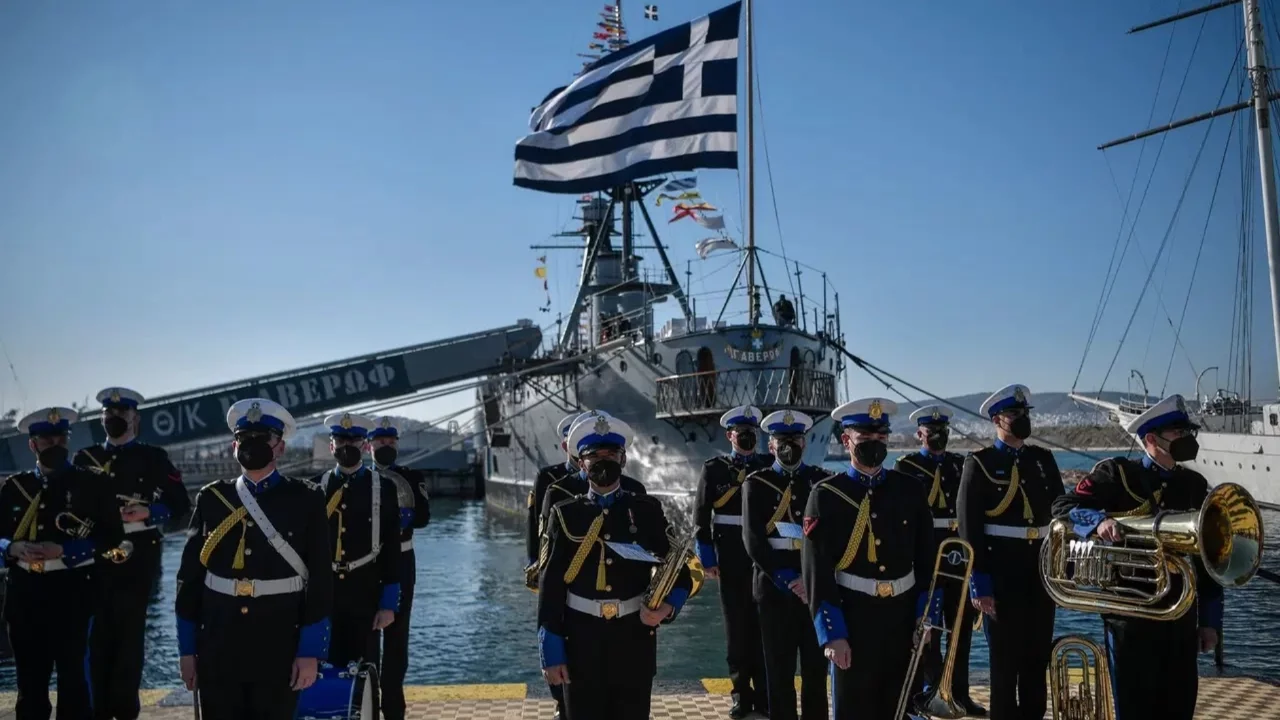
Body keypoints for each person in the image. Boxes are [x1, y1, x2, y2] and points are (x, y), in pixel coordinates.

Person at [1051, 394, 1221, 720]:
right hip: (1129, 615)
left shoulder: (1194, 484)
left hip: (1179, 612)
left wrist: (1210, 622)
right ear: (1151, 439)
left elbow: (1207, 557)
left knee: (1179, 706)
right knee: (1135, 708)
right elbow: (1063, 506)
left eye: (1187, 432)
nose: (1186, 438)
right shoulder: (1118, 474)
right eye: (1178, 433)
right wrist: (1098, 522)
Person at [175, 398, 333, 720]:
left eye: (263, 438)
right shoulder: (212, 498)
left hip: (279, 641)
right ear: (234, 446)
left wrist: (309, 651)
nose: (252, 444)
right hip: (218, 642)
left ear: (280, 448)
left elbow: (320, 578)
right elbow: (189, 580)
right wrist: (187, 650)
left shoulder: (306, 498)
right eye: (245, 438)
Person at [537, 414, 692, 720]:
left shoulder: (646, 511)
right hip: (581, 640)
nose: (603, 462)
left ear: (623, 459)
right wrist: (551, 651)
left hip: (634, 639)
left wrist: (666, 609)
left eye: (611, 455)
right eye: (594, 456)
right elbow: (550, 586)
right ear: (581, 464)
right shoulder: (565, 514)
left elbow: (681, 572)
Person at [802, 398, 939, 720]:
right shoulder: (826, 495)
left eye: (881, 437)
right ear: (845, 440)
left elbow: (926, 560)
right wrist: (833, 633)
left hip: (903, 618)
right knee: (854, 709)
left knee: (903, 708)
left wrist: (926, 616)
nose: (874, 444)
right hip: (854, 618)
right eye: (865, 438)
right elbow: (817, 572)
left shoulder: (909, 489)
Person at [73, 387, 192, 720]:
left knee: (128, 640)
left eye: (121, 413)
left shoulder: (153, 458)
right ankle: (96, 711)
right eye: (108, 414)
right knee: (94, 640)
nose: (115, 418)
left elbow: (180, 504)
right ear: (101, 418)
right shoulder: (85, 459)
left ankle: (125, 712)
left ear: (134, 418)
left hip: (137, 557)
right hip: (94, 557)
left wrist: (149, 513)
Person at [1, 407, 124, 720]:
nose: (55, 444)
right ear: (33, 444)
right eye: (47, 439)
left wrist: (66, 550)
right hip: (25, 594)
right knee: (30, 686)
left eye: (60, 438)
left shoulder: (92, 483)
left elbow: (112, 535)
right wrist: (12, 547)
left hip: (73, 592)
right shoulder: (15, 487)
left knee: (74, 684)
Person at [957, 384, 1063, 720]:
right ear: (997, 420)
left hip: (1040, 574)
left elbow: (1060, 512)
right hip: (1001, 577)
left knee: (1036, 661)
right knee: (1004, 665)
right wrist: (979, 583)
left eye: (1024, 413)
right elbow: (969, 527)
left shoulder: (1043, 460)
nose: (1021, 418)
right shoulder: (980, 463)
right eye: (1014, 413)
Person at [892, 404, 984, 717]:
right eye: (931, 431)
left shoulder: (960, 464)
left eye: (942, 430)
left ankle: (959, 694)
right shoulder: (906, 466)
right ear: (919, 434)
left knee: (961, 628)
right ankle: (927, 691)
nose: (937, 435)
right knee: (926, 629)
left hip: (958, 553)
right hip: (926, 552)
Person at [741, 410, 827, 720]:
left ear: (805, 443)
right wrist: (789, 578)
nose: (789, 446)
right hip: (774, 588)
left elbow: (829, 538)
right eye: (782, 441)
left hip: (813, 588)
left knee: (816, 670)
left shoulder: (820, 481)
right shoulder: (756, 483)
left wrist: (809, 580)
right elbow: (753, 541)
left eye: (795, 439)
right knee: (779, 672)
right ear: (771, 445)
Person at [693, 405, 773, 719]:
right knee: (736, 627)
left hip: (763, 555)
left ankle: (766, 695)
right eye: (741, 433)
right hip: (730, 556)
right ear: (730, 436)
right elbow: (701, 517)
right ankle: (741, 694)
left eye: (751, 433)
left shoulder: (768, 466)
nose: (747, 438)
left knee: (764, 626)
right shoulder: (714, 469)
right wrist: (707, 557)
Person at [315, 412, 401, 673]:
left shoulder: (384, 488)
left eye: (353, 441)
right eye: (341, 441)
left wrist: (388, 604)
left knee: (366, 669)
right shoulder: (315, 488)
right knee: (322, 668)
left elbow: (392, 548)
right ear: (331, 446)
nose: (347, 446)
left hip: (366, 590)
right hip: (324, 592)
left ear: (364, 445)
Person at [368, 416, 431, 720]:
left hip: (403, 561)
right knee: (365, 637)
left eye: (391, 442)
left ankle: (393, 708)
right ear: (369, 445)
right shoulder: (360, 479)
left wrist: (401, 516)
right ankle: (365, 703)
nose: (386, 446)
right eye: (380, 442)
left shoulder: (411, 476)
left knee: (396, 641)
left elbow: (424, 517)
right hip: (366, 565)